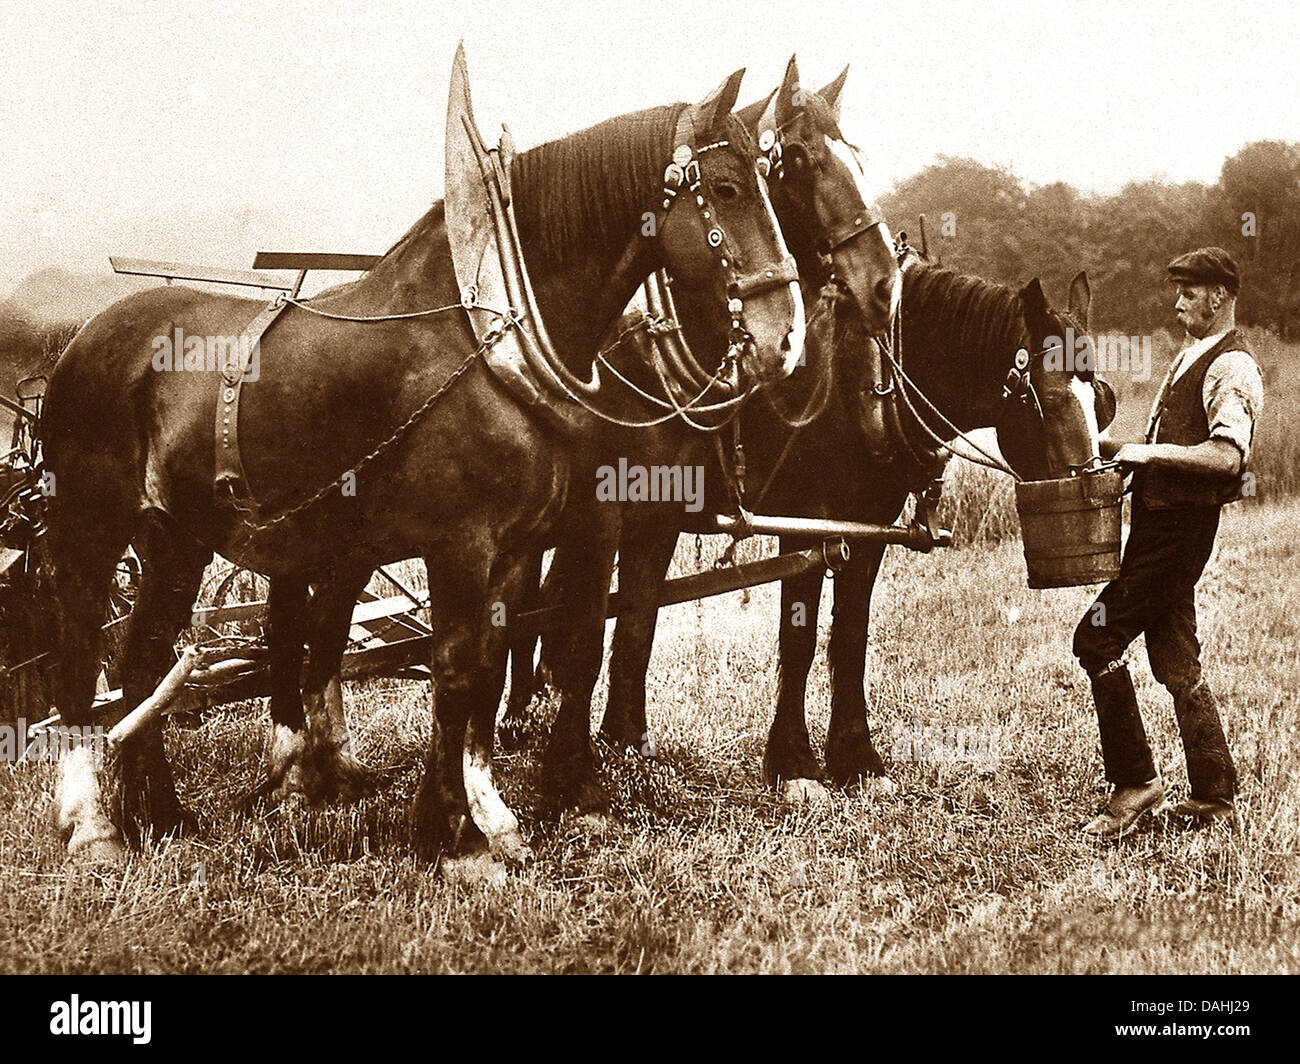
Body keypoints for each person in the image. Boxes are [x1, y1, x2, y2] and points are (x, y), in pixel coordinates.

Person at [1073, 246, 1264, 838]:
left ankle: (1135, 783)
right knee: (1178, 662)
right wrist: (1112, 452)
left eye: (1189, 290)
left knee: (1096, 637)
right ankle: (1215, 795)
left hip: (1179, 536)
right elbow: (1166, 447)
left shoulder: (1232, 367)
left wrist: (1148, 453)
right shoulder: (1190, 356)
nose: (1178, 301)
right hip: (1156, 530)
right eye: (1177, 288)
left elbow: (1227, 456)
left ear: (1219, 297)